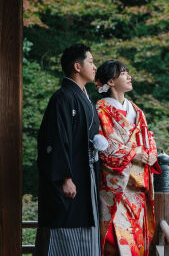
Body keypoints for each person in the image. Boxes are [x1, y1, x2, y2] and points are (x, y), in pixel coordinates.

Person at [34, 43, 108, 256]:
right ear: (77, 66)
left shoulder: (84, 97)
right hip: (71, 175)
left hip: (87, 172)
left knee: (87, 225)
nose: (95, 67)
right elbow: (56, 140)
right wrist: (65, 177)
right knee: (65, 229)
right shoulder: (63, 97)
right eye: (91, 62)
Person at [94, 60, 158, 256]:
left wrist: (152, 154)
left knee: (138, 242)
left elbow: (149, 137)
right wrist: (135, 154)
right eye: (123, 73)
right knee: (117, 242)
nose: (129, 76)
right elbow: (105, 146)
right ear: (111, 81)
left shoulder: (136, 111)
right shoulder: (101, 109)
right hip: (116, 189)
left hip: (137, 189)